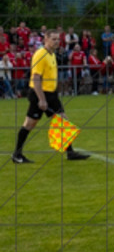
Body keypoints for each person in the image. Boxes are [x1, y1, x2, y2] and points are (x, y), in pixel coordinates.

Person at [12, 31, 90, 164]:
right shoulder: (40, 54)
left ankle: (70, 152)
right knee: (30, 124)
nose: (56, 41)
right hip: (40, 94)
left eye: (58, 39)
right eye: (53, 39)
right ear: (45, 39)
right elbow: (35, 78)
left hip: (51, 94)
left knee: (63, 120)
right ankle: (17, 154)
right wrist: (41, 99)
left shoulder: (52, 54)